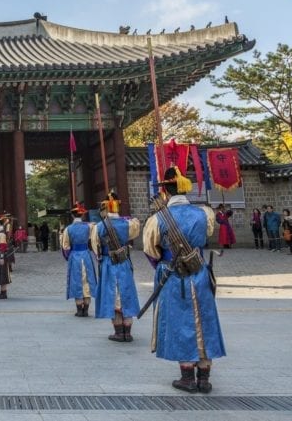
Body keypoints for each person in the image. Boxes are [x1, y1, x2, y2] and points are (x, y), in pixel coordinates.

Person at [142, 166, 225, 394]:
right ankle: (204, 378)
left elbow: (151, 250)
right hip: (198, 272)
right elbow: (206, 237)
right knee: (204, 319)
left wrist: (165, 264)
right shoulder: (204, 213)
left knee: (180, 321)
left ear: (165, 192)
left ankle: (187, 377)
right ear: (186, 191)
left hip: (172, 275)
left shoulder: (157, 218)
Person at [92, 194, 141, 341]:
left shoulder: (99, 227)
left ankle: (119, 332)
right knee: (126, 294)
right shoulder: (129, 224)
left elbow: (96, 248)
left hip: (108, 263)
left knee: (113, 295)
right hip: (124, 262)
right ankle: (128, 332)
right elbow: (134, 235)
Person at [60, 202, 97, 317]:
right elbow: (95, 238)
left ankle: (79, 310)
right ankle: (86, 309)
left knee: (77, 280)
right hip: (86, 255)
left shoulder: (68, 229)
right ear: (82, 215)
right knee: (87, 280)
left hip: (75, 255)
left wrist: (68, 256)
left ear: (72, 216)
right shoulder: (89, 227)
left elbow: (65, 246)